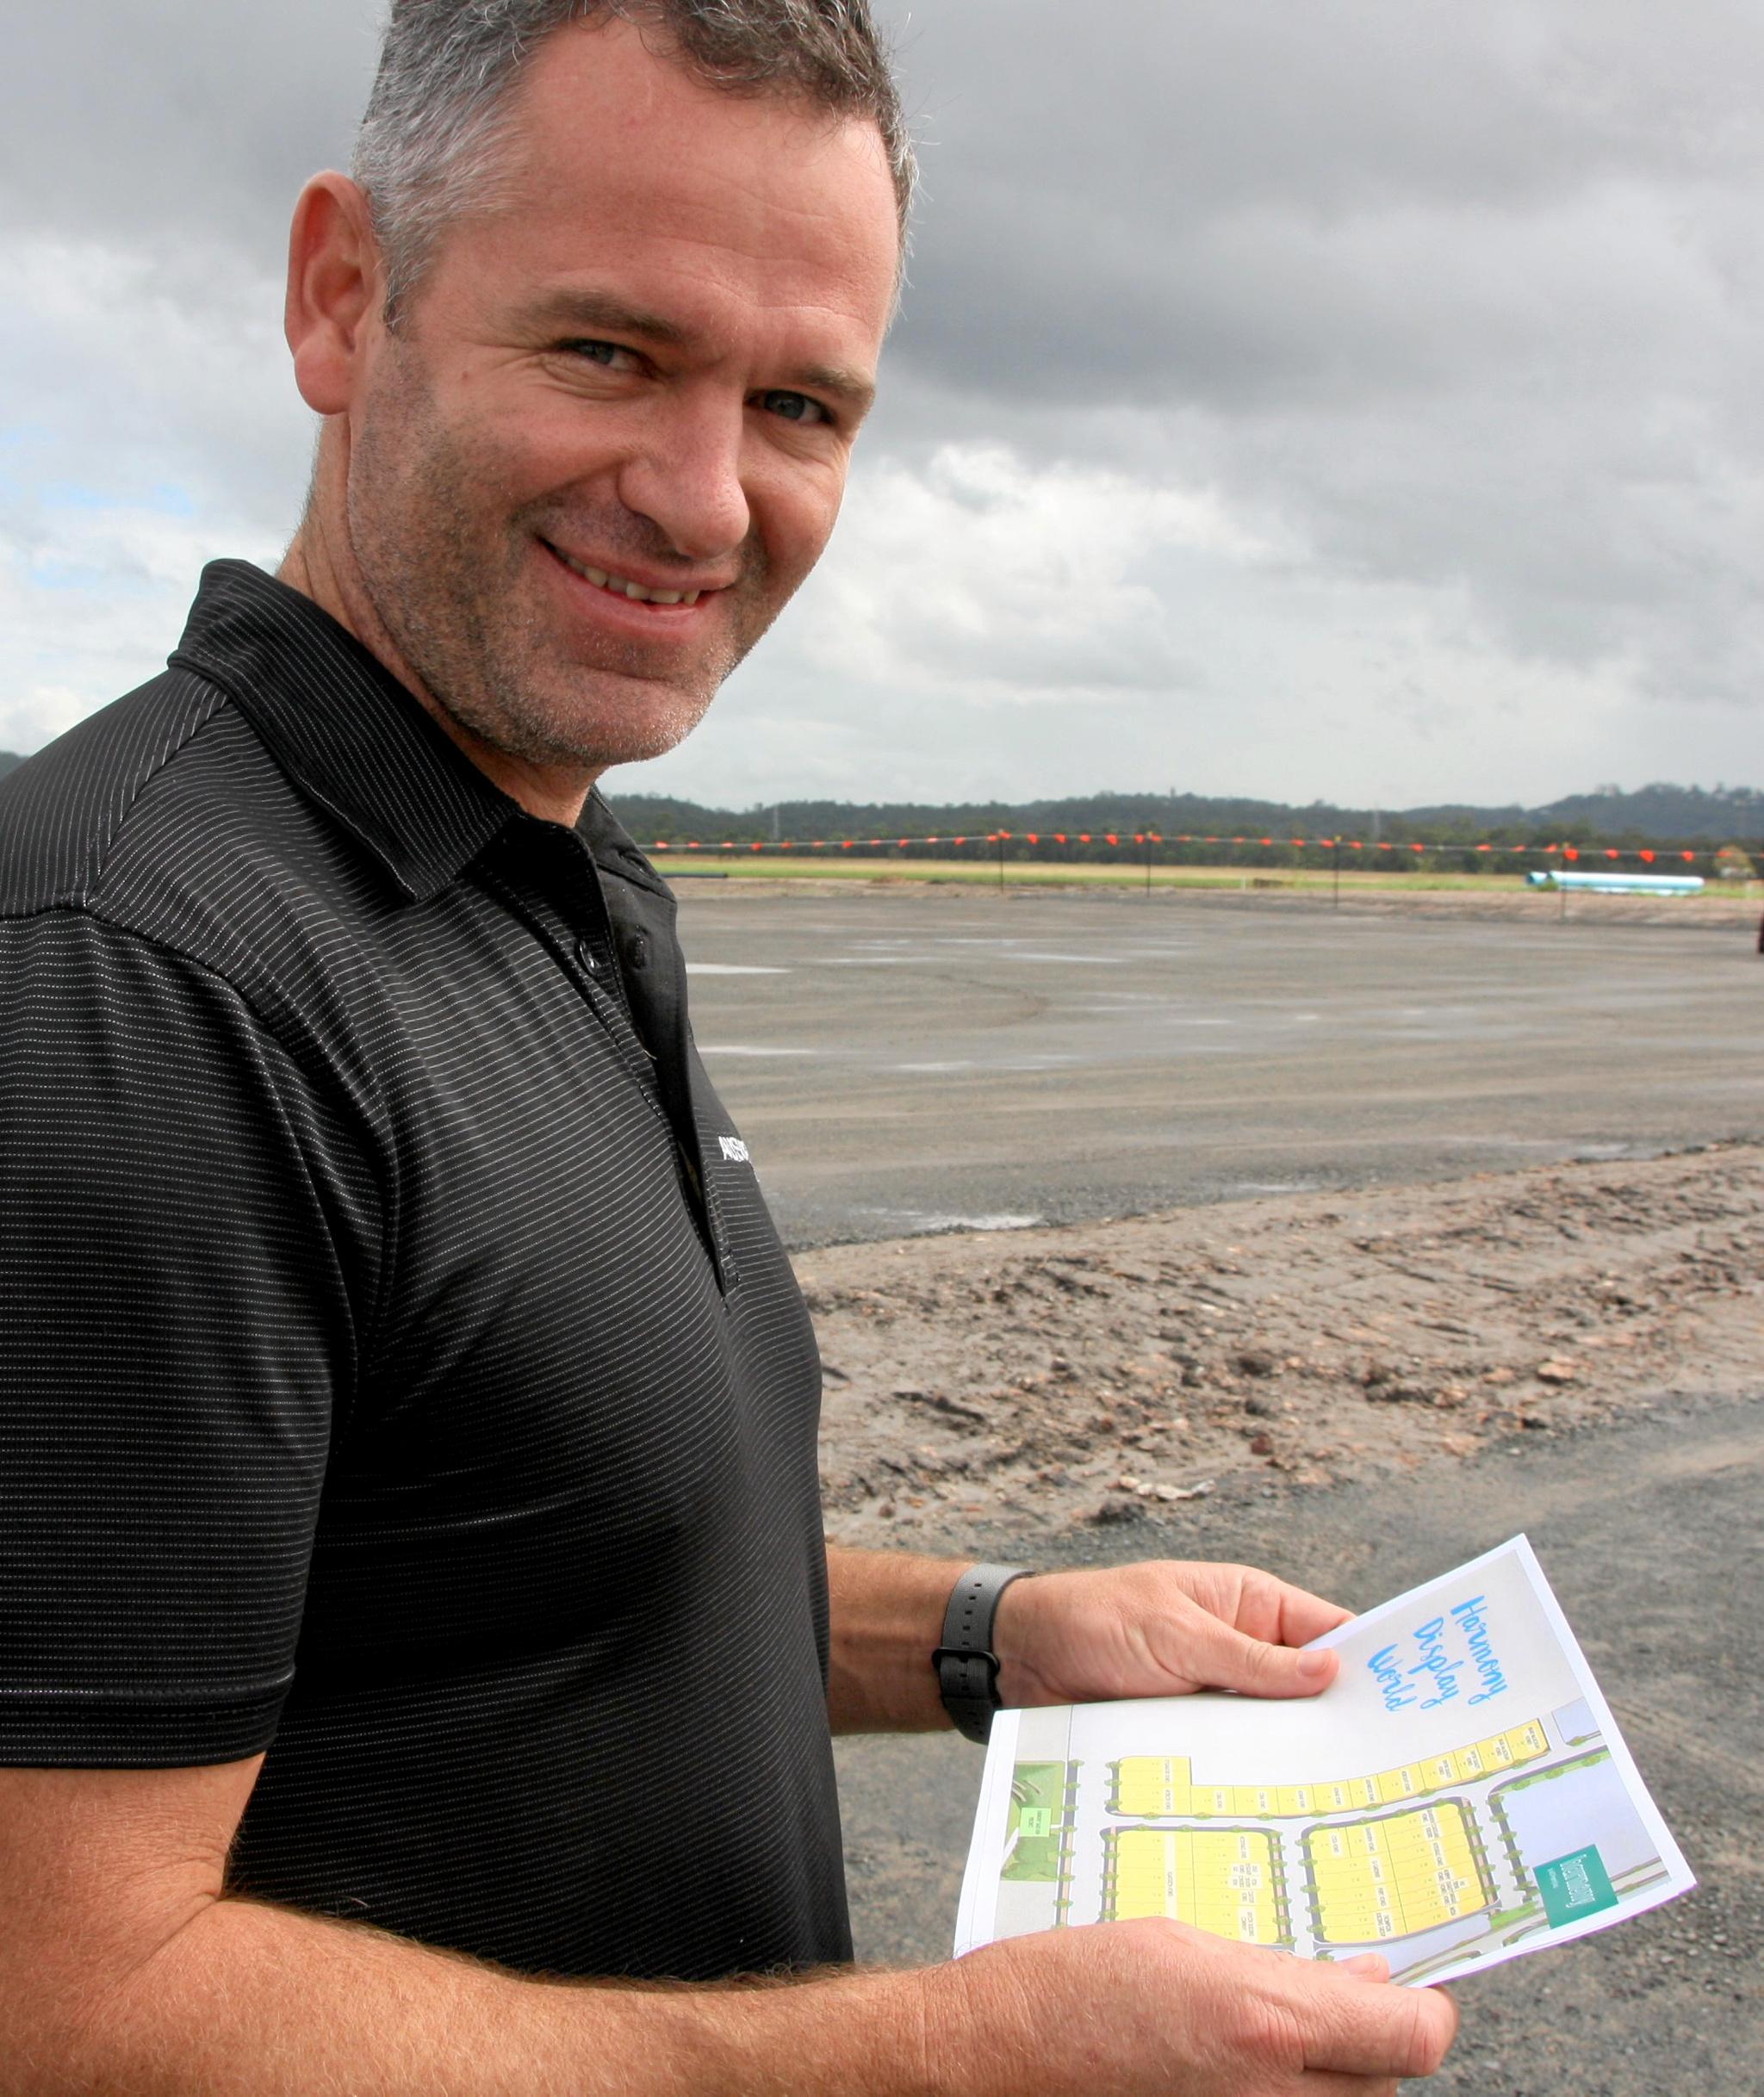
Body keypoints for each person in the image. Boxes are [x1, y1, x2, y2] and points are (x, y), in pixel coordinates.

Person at [0, 4, 1457, 2091]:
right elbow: (57, 2008)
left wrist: (996, 1638)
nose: (703, 498)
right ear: (346, 295)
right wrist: (946, 2058)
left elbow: (527, 1571)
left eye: (797, 403)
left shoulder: (552, 876)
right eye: (608, 352)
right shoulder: (127, 978)